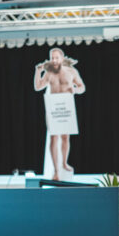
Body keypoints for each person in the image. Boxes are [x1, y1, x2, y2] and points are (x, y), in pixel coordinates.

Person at [34, 47, 85, 181]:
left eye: (57, 58)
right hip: (54, 106)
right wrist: (38, 72)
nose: (54, 60)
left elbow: (82, 87)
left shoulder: (71, 71)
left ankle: (64, 163)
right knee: (54, 138)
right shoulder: (49, 73)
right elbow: (38, 87)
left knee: (65, 137)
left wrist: (75, 90)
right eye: (52, 58)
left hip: (66, 105)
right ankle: (56, 171)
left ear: (62, 58)